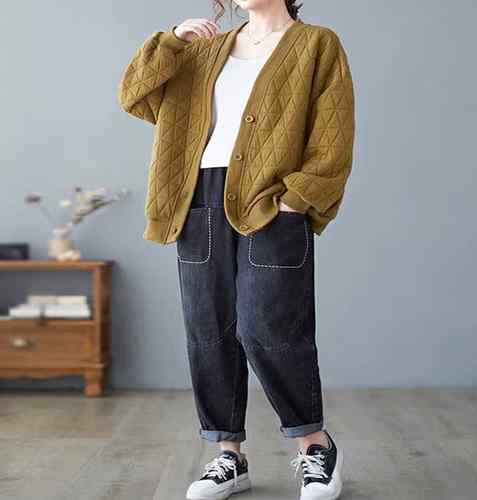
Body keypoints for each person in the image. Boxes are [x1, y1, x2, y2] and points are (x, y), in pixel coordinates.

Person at [118, 1, 355, 498]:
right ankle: (228, 455)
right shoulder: (203, 48)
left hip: (268, 200)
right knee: (209, 329)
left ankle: (316, 446)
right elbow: (135, 96)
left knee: (269, 326)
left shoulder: (316, 43)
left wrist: (297, 199)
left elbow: (333, 134)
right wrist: (171, 42)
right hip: (197, 200)